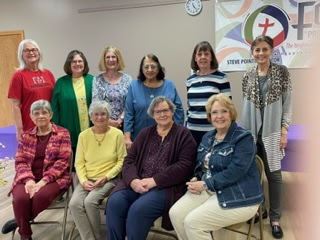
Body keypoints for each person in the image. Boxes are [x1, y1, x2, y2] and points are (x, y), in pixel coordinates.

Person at [169, 93, 263, 240]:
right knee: (175, 214)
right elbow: (203, 165)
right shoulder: (208, 137)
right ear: (209, 116)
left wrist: (206, 184)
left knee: (193, 223)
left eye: (224, 111)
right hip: (211, 189)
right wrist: (197, 177)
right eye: (214, 112)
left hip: (239, 193)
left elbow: (236, 171)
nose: (219, 116)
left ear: (231, 113)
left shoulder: (243, 137)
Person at [106, 96, 197, 240]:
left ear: (172, 111)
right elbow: (129, 160)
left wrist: (154, 180)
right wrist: (133, 181)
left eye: (165, 110)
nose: (162, 115)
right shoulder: (145, 133)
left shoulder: (183, 134)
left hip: (164, 188)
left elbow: (184, 166)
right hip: (137, 183)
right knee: (114, 202)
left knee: (138, 210)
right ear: (152, 115)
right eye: (158, 112)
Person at [241, 35, 292, 239]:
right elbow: (246, 105)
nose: (260, 53)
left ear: (271, 50)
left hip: (272, 132)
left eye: (264, 49)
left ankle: (275, 218)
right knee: (253, 174)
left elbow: (287, 103)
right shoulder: (248, 74)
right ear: (252, 52)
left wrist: (284, 130)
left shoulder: (282, 72)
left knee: (274, 175)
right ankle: (259, 209)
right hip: (251, 131)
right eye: (257, 50)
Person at [1, 100, 71, 240]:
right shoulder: (26, 136)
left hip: (54, 178)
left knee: (41, 196)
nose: (40, 116)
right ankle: (25, 235)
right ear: (31, 116)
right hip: (27, 178)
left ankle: (20, 222)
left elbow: (62, 162)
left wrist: (43, 181)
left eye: (44, 112)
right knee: (20, 198)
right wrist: (29, 180)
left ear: (51, 115)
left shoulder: (63, 133)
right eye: (36, 113)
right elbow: (20, 160)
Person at [69, 100, 126, 240]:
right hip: (87, 179)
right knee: (74, 204)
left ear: (108, 116)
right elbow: (79, 162)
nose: (99, 117)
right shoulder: (83, 135)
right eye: (96, 114)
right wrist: (83, 180)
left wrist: (106, 177)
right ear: (90, 117)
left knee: (89, 202)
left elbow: (122, 161)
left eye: (103, 114)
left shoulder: (117, 134)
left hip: (109, 179)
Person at [123, 54, 184, 149]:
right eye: (146, 67)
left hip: (167, 138)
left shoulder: (169, 85)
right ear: (142, 69)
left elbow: (178, 111)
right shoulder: (134, 86)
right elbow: (129, 113)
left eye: (153, 66)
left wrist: (178, 135)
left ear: (159, 68)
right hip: (139, 138)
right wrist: (127, 137)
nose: (150, 70)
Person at [51, 50, 93, 172]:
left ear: (84, 63)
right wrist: (57, 129)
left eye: (80, 61)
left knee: (90, 161)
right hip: (68, 130)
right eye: (73, 61)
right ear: (68, 64)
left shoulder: (92, 80)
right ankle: (75, 187)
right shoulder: (61, 82)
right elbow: (54, 107)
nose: (77, 64)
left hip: (90, 129)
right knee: (73, 164)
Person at [7, 39, 55, 140]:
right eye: (27, 50)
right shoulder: (18, 76)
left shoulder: (48, 73)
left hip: (49, 126)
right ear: (21, 54)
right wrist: (19, 129)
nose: (31, 53)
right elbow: (15, 105)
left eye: (34, 49)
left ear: (39, 52)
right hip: (30, 128)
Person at [186, 41, 231, 146]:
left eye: (206, 54)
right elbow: (189, 106)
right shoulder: (190, 80)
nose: (203, 57)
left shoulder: (221, 78)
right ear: (195, 58)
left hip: (214, 131)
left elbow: (228, 107)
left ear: (211, 57)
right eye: (199, 54)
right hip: (192, 131)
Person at [92, 46, 132, 130]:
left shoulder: (127, 79)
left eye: (113, 57)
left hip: (124, 125)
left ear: (118, 59)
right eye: (108, 57)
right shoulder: (97, 80)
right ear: (104, 60)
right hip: (103, 124)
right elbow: (96, 103)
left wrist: (120, 119)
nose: (111, 60)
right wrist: (108, 120)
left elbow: (130, 103)